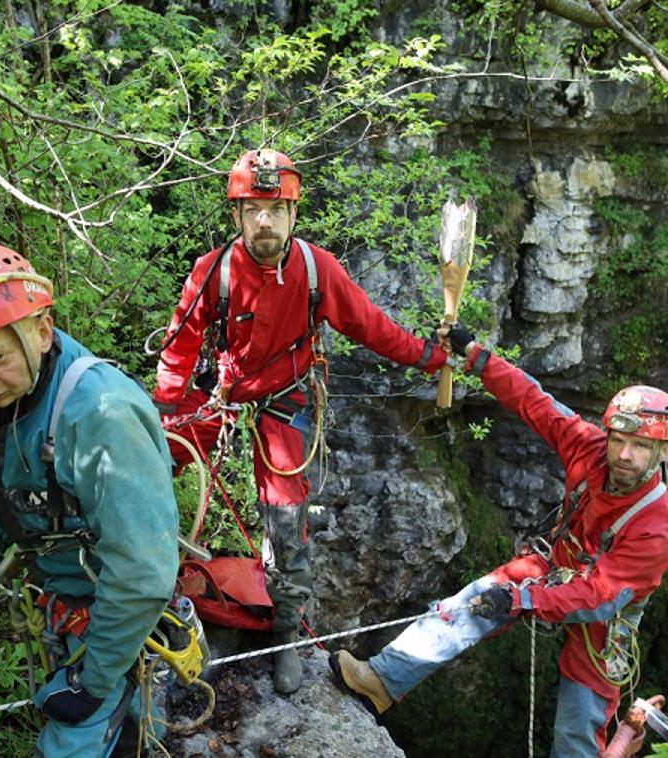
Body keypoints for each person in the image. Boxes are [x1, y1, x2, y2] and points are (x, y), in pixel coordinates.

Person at [152, 148, 450, 693]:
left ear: (292, 214)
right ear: (237, 215)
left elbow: (374, 329)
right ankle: (151, 589)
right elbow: (179, 348)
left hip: (283, 400)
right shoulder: (213, 271)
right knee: (148, 468)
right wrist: (167, 416)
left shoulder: (318, 271)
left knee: (288, 519)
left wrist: (433, 356)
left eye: (275, 208)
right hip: (221, 393)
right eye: (252, 209)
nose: (264, 220)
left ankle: (286, 633)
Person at [331, 326, 668, 757]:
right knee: (470, 603)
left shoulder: (659, 528)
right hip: (558, 562)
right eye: (618, 441)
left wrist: (522, 600)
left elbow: (600, 596)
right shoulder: (589, 449)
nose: (624, 456)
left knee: (578, 724)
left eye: (639, 447)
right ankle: (383, 681)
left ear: (662, 453)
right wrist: (477, 357)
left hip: (606, 615)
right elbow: (532, 401)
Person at [0, 244, 180, 758]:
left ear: (42, 332)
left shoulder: (101, 415)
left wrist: (90, 681)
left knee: (71, 742)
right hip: (66, 604)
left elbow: (142, 573)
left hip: (112, 617)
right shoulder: (7, 393)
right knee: (131, 728)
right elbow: (10, 480)